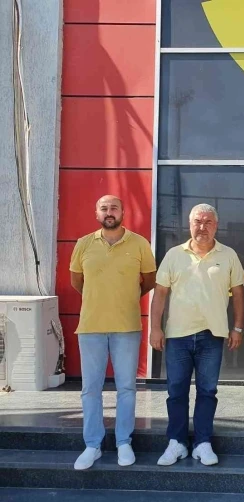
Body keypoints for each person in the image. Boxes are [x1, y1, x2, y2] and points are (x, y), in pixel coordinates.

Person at [150, 204, 244, 467]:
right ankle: (177, 443)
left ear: (216, 225)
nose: (202, 227)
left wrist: (237, 328)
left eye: (208, 222)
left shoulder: (228, 255)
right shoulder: (174, 255)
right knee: (176, 391)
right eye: (197, 222)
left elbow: (238, 294)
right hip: (177, 335)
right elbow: (160, 293)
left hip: (212, 335)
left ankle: (203, 443)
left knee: (207, 391)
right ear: (189, 224)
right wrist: (155, 327)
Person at [69, 195, 157, 470]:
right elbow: (77, 281)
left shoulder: (140, 244)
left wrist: (126, 297)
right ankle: (92, 445)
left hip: (127, 327)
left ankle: (123, 442)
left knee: (126, 388)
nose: (109, 212)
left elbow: (149, 280)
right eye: (104, 208)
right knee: (90, 389)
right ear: (97, 213)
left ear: (123, 212)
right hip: (90, 327)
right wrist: (99, 299)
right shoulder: (84, 244)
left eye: (114, 208)